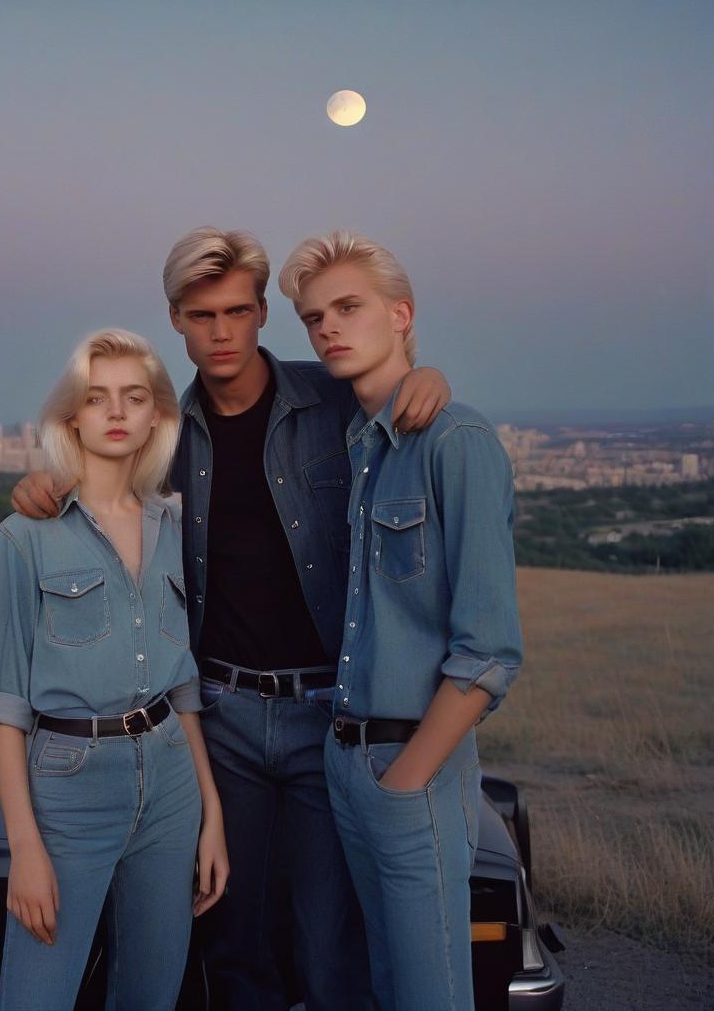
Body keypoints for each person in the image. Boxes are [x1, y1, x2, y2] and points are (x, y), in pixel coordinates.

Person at [11, 227, 452, 1011]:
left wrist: (434, 380)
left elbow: (397, 394)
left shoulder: (332, 400)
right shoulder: (163, 433)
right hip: (220, 717)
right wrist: (42, 484)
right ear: (176, 319)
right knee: (234, 944)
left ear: (260, 315)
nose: (222, 332)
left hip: (329, 714)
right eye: (202, 314)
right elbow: (95, 481)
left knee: (329, 949)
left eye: (238, 312)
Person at [279, 230, 523, 1011]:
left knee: (430, 993)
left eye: (348, 307)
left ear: (402, 313)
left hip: (409, 768)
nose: (328, 329)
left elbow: (488, 652)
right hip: (344, 761)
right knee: (383, 986)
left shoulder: (459, 442)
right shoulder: (358, 446)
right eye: (314, 318)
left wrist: (407, 780)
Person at [0, 329, 228, 1011]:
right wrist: (25, 847)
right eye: (97, 398)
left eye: (134, 397)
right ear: (72, 417)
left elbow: (183, 685)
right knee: (36, 997)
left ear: (156, 416)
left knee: (151, 995)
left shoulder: (177, 528)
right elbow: (5, 704)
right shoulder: (23, 537)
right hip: (69, 790)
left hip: (171, 783)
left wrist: (210, 813)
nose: (116, 412)